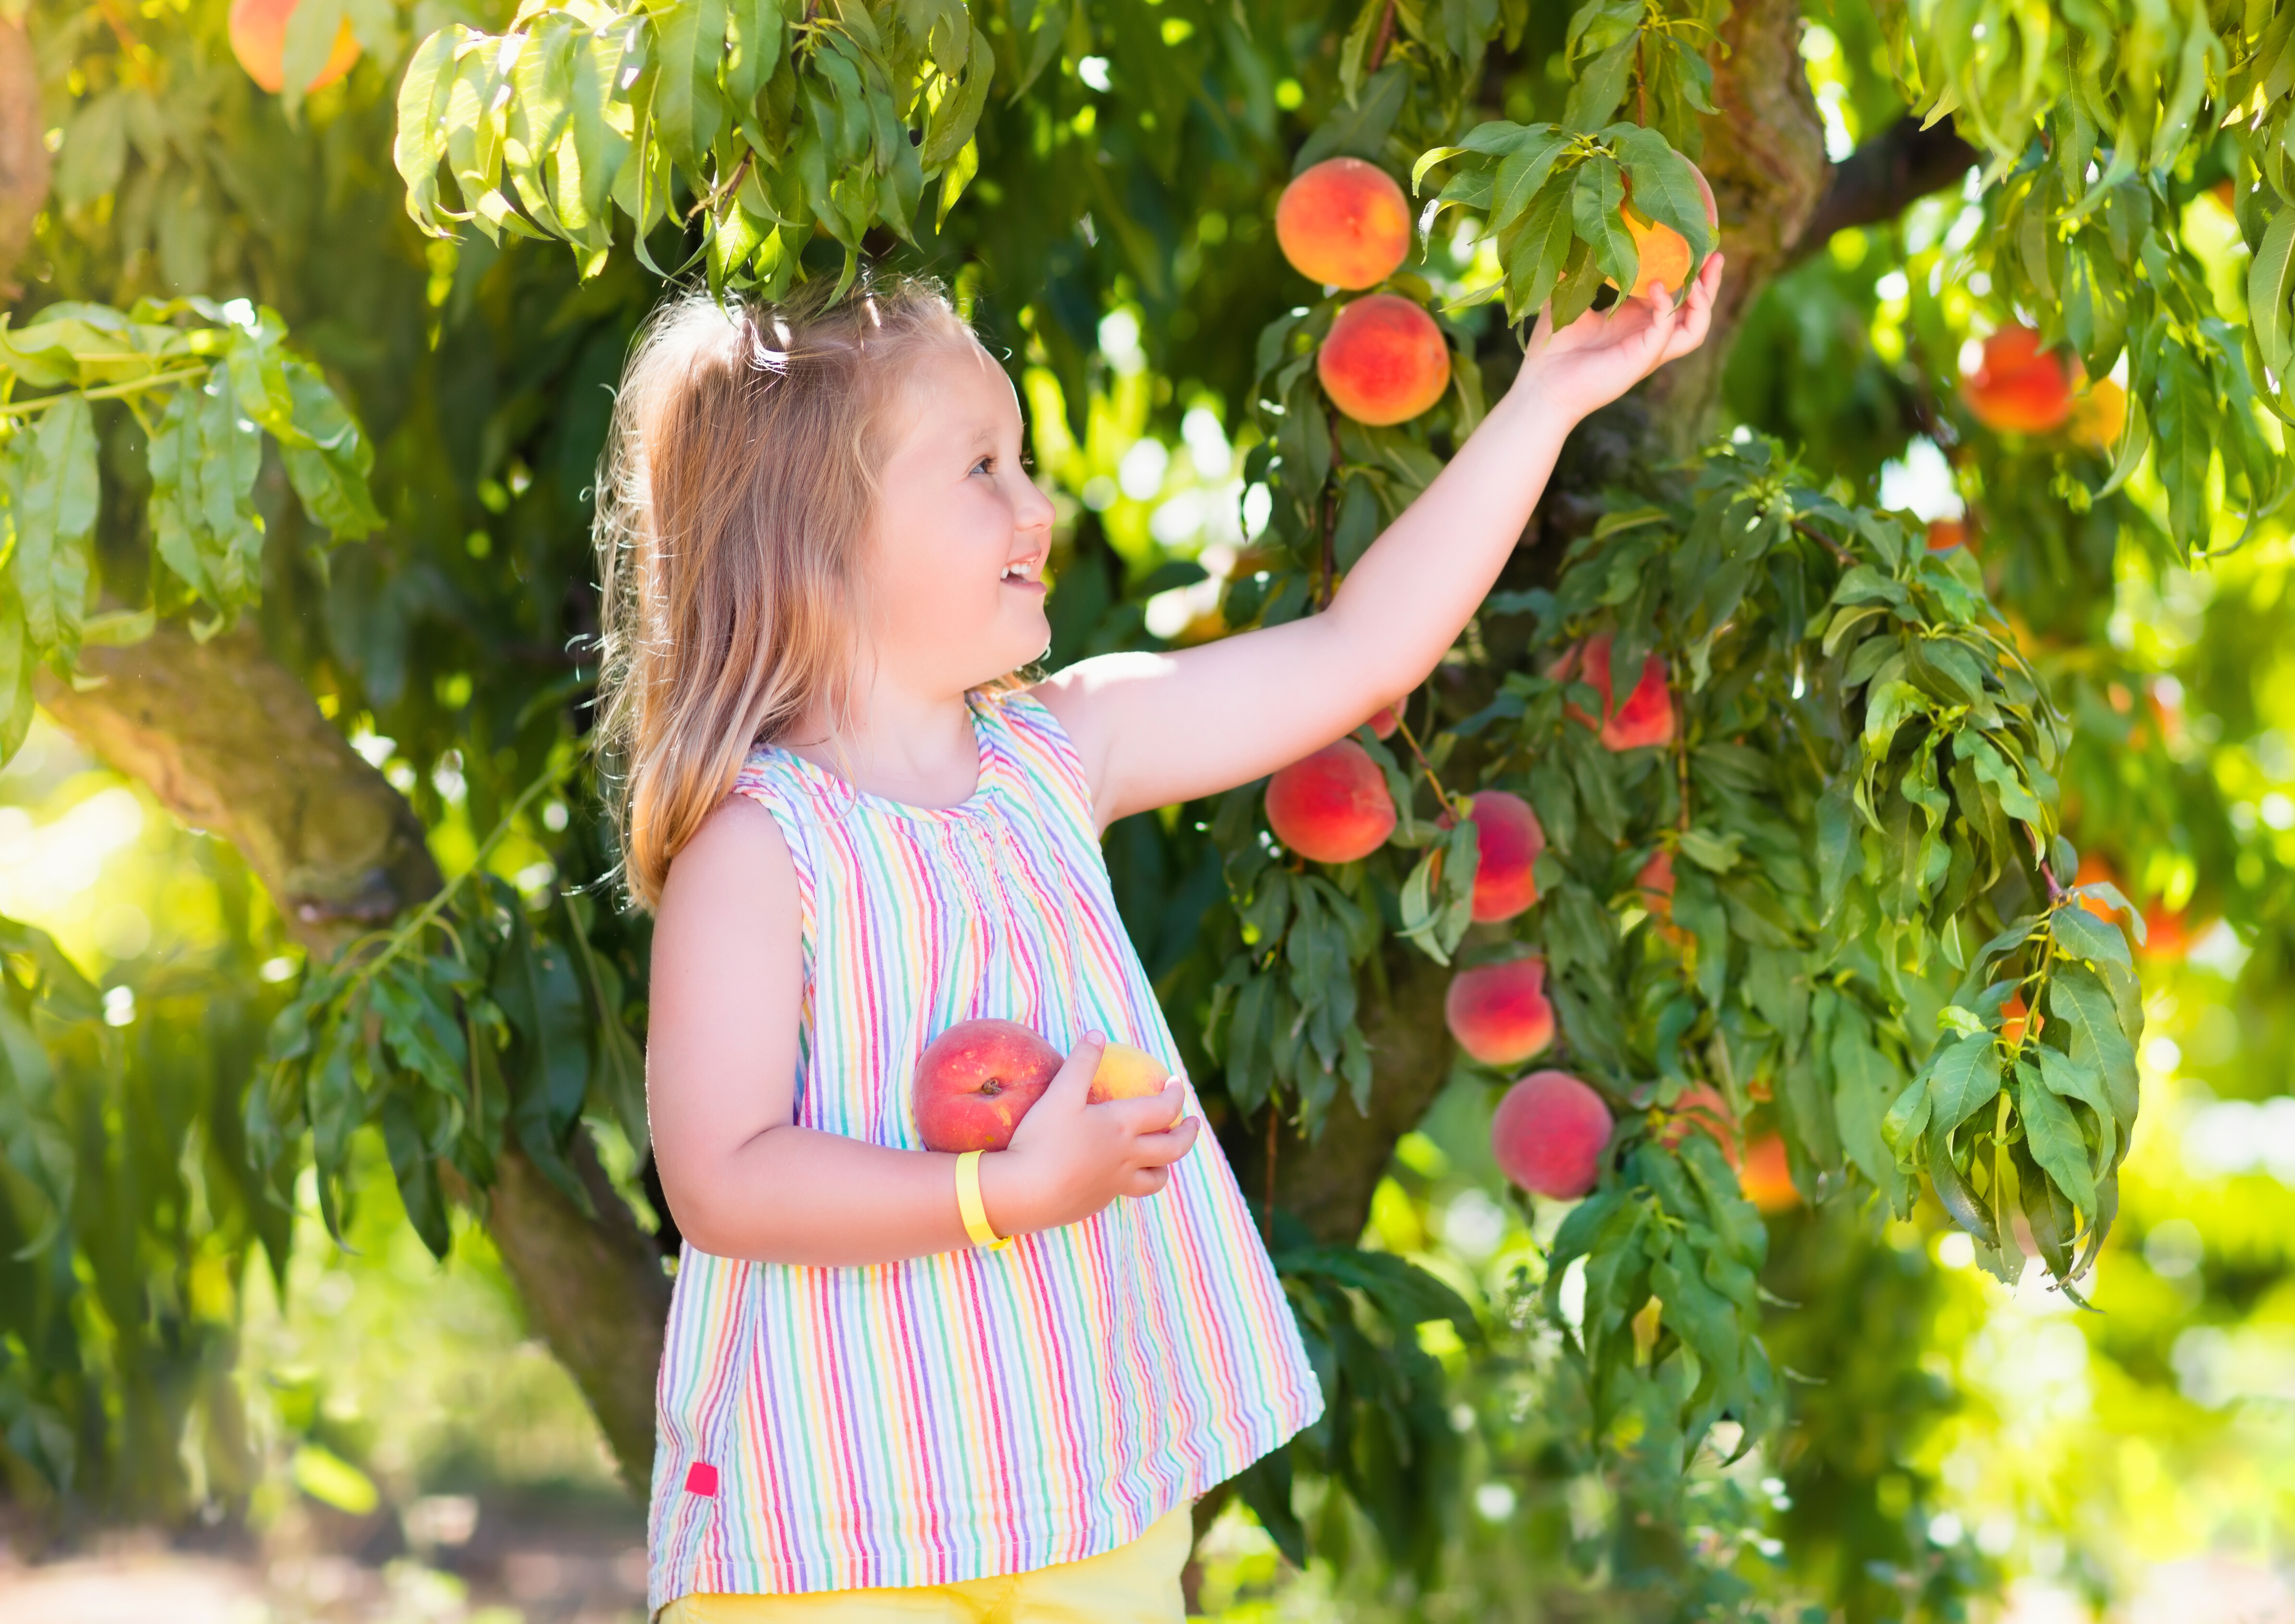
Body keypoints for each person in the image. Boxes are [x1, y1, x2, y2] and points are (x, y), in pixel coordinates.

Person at [598, 251, 1723, 1622]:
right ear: (818, 535)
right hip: (840, 1516)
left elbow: (1362, 650)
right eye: (983, 471)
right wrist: (999, 1195)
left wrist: (1544, 400)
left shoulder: (1059, 754)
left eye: (1024, 462)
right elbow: (722, 1181)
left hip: (1088, 1489)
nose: (1040, 503)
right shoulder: (758, 849)